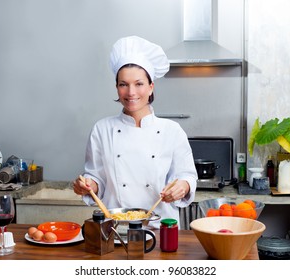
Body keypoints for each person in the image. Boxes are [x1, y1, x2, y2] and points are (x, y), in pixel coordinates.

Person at [73, 36, 198, 228]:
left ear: (150, 87)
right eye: (123, 84)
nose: (131, 92)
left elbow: (187, 175)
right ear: (117, 88)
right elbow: (97, 178)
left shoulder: (171, 131)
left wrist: (183, 186)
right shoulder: (102, 129)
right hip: (114, 228)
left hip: (160, 228)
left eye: (139, 84)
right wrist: (88, 186)